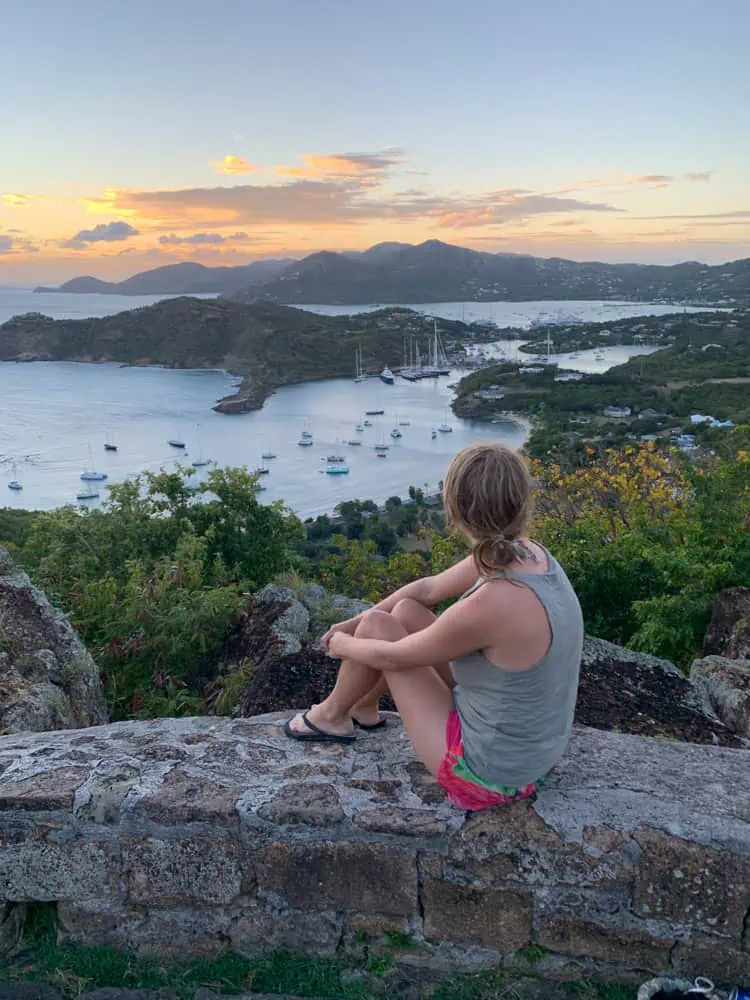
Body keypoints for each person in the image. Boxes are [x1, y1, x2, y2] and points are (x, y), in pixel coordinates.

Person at [285, 443, 584, 811]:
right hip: (531, 754)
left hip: (489, 776)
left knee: (380, 627)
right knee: (407, 610)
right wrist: (353, 619)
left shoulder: (493, 602)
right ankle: (364, 707)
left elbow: (394, 657)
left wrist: (344, 643)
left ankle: (330, 717)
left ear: (455, 512)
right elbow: (427, 590)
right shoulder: (529, 554)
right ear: (522, 504)